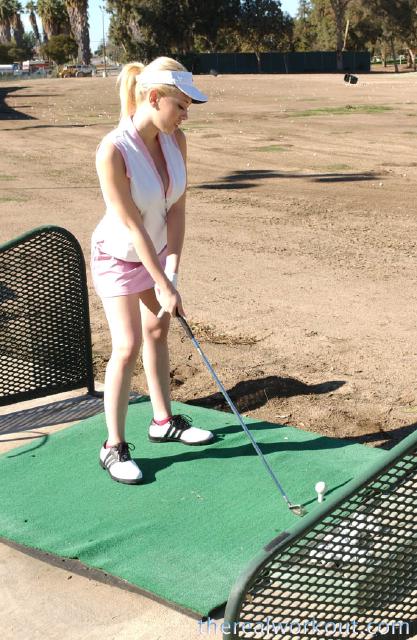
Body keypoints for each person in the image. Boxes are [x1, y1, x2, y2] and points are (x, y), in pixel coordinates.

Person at [91, 57, 214, 485]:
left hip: (158, 254)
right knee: (126, 345)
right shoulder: (113, 151)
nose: (185, 115)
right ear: (155, 97)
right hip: (118, 258)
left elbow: (177, 208)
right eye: (181, 106)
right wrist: (162, 282)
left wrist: (172, 269)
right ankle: (113, 446)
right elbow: (131, 225)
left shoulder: (176, 141)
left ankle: (162, 421)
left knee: (158, 331)